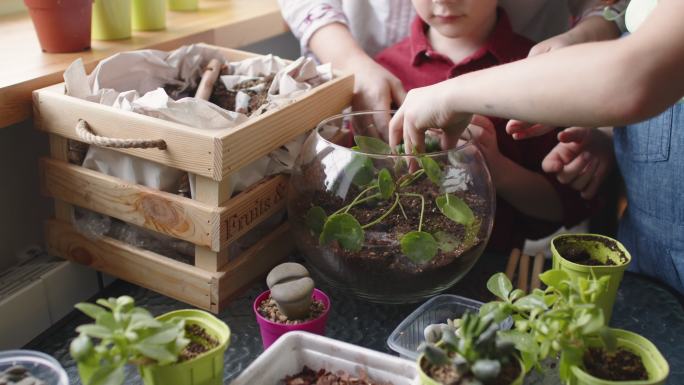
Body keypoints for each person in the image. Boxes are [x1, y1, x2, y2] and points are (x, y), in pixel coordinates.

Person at [389, 0, 684, 293]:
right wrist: (608, 133)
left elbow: (635, 77)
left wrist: (450, 99)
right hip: (646, 253)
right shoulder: (388, 69)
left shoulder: (531, 67)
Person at [373, 0, 596, 253]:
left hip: (491, 270)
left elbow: (563, 206)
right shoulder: (384, 74)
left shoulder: (538, 73)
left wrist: (496, 169)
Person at [278, 0, 623, 115]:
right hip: (363, 70)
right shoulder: (386, 61)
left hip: (544, 81)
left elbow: (616, 6)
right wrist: (351, 63)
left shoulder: (523, 60)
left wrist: (582, 39)